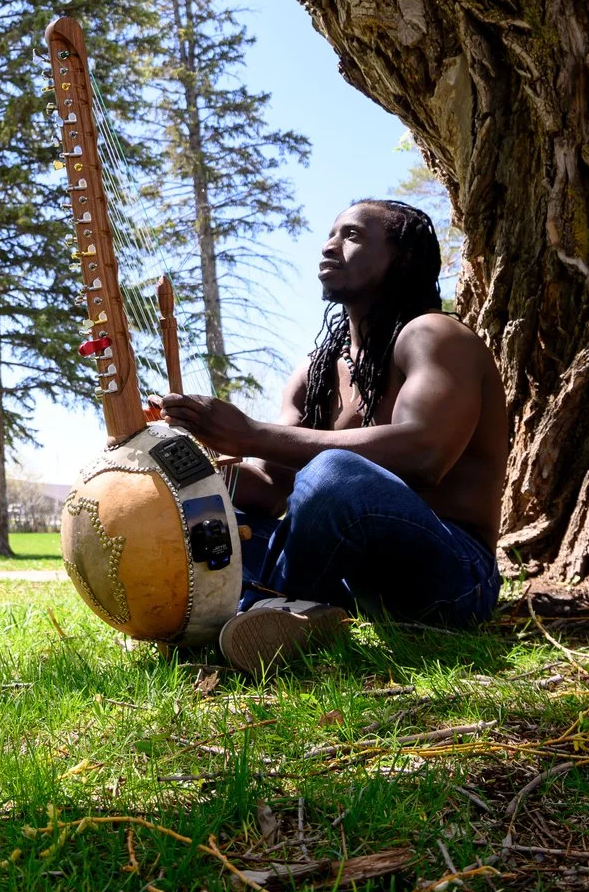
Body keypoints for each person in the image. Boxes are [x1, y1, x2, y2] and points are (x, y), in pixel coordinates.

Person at [160, 199, 507, 672]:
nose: (329, 246)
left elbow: (426, 454)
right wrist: (178, 463)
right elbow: (269, 489)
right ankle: (274, 616)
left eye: (353, 235)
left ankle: (255, 610)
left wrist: (250, 434)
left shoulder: (435, 336)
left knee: (334, 475)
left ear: (401, 258)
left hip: (452, 577)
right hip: (347, 581)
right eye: (330, 233)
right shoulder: (317, 370)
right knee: (213, 515)